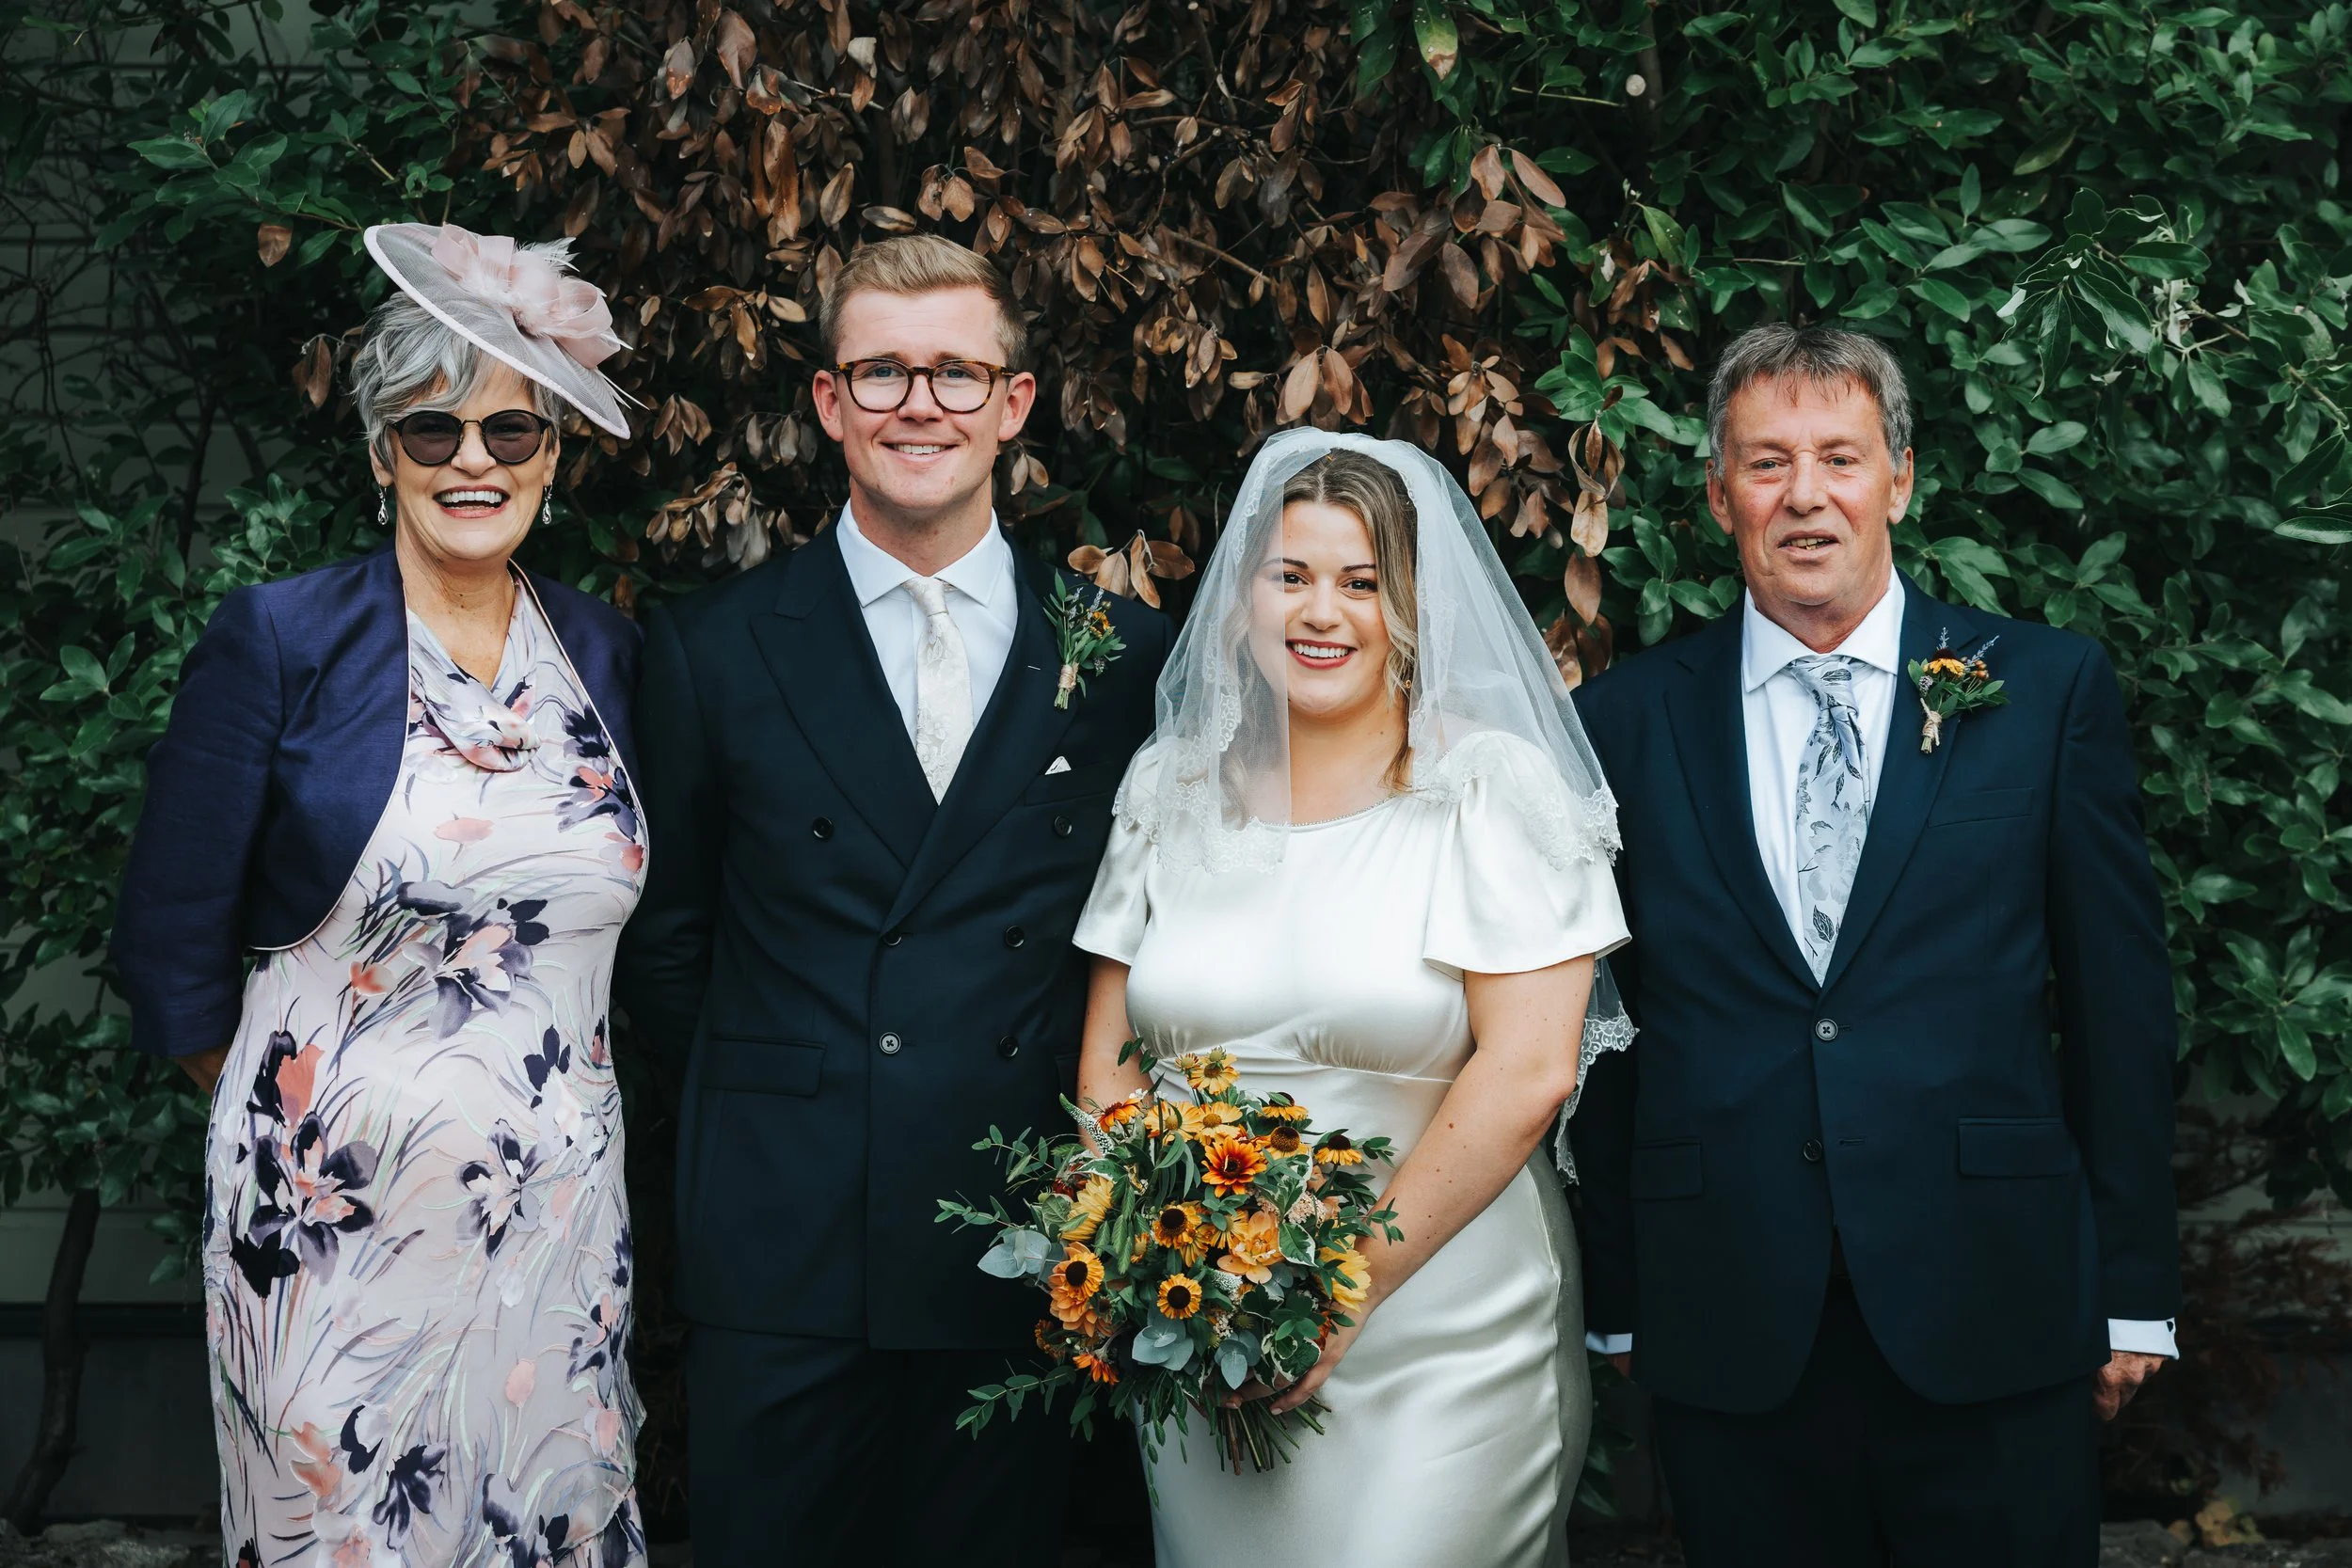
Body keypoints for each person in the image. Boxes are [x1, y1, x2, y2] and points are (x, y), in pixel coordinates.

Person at [1570, 324, 2181, 1565]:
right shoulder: (1626, 720)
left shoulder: (2047, 689)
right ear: (1716, 490)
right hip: (1733, 1307)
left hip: (1993, 1297)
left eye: (1841, 457)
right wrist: (1624, 1292)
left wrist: (2133, 1288)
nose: (1806, 496)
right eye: (1767, 461)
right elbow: (1607, 1026)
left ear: (1901, 478)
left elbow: (2119, 1004)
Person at [615, 233, 1171, 1565]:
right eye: (879, 372)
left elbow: (1141, 939)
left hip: (1028, 1242)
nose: (919, 404)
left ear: (1013, 404)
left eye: (954, 373)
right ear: (826, 402)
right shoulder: (712, 646)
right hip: (788, 1247)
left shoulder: (1120, 657)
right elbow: (670, 946)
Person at [111, 223, 650, 1564]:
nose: (473, 460)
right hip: (328, 1235)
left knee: (546, 1522)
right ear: (378, 455)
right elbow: (170, 941)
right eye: (431, 430)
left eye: (511, 432)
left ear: (554, 453)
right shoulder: (280, 638)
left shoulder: (609, 651)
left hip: (556, 1225)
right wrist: (303, 1132)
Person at [1073, 432, 1632, 1567]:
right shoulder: (1169, 785)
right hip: (1205, 1320)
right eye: (1291, 576)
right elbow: (1107, 1063)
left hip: (1444, 1326)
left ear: (1411, 607)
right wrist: (1166, 1277)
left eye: (1361, 581)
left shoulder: (1487, 788)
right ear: (1240, 601)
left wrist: (1338, 1289)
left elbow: (1529, 1068)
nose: (1321, 612)